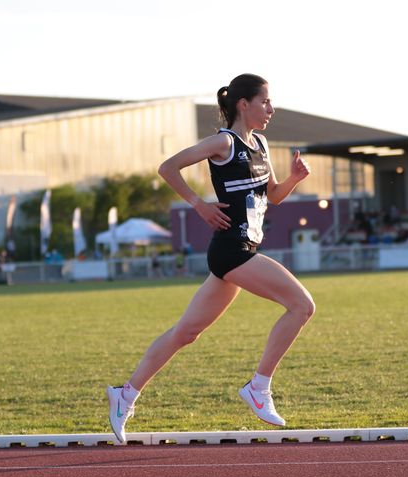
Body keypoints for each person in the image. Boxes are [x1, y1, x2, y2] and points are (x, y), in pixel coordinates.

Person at [106, 74, 314, 444]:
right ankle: (258, 387)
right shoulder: (224, 142)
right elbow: (168, 167)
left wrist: (294, 180)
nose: (271, 108)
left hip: (243, 250)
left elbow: (274, 196)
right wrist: (198, 205)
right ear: (243, 104)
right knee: (301, 305)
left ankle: (125, 395)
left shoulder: (261, 145)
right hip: (231, 250)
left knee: (186, 333)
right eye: (264, 101)